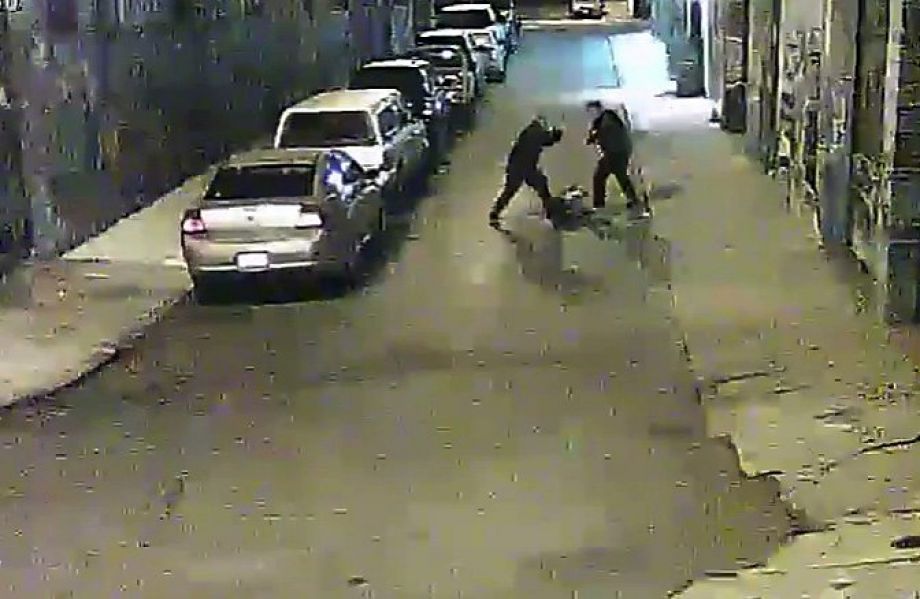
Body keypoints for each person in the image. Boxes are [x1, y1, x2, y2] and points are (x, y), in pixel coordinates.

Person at [489, 116, 564, 225]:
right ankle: (550, 211)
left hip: (520, 166)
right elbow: (548, 140)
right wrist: (556, 134)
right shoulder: (534, 133)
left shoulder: (530, 132)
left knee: (511, 190)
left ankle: (495, 212)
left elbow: (546, 141)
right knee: (540, 186)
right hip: (524, 167)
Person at [585, 100, 640, 211]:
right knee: (620, 176)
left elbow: (604, 134)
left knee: (600, 176)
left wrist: (594, 137)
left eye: (591, 111)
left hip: (616, 152)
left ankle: (599, 205)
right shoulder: (606, 118)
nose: (590, 115)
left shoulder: (607, 122)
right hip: (619, 151)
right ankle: (632, 200)